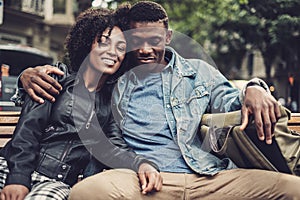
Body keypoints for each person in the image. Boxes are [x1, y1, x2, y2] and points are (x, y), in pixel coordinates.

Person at [18, 1, 300, 199]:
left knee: (292, 189)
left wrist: (254, 87)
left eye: (153, 39)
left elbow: (230, 100)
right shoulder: (116, 78)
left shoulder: (198, 73)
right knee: (86, 193)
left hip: (209, 178)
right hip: (145, 182)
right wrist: (27, 75)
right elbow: (78, 82)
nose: (144, 49)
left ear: (167, 36)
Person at [0, 6, 161, 200]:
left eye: (120, 48)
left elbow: (114, 147)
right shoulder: (57, 78)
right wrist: (18, 178)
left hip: (56, 183)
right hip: (12, 166)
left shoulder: (112, 103)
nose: (112, 52)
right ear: (87, 44)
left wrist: (142, 163)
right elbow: (28, 132)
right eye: (103, 42)